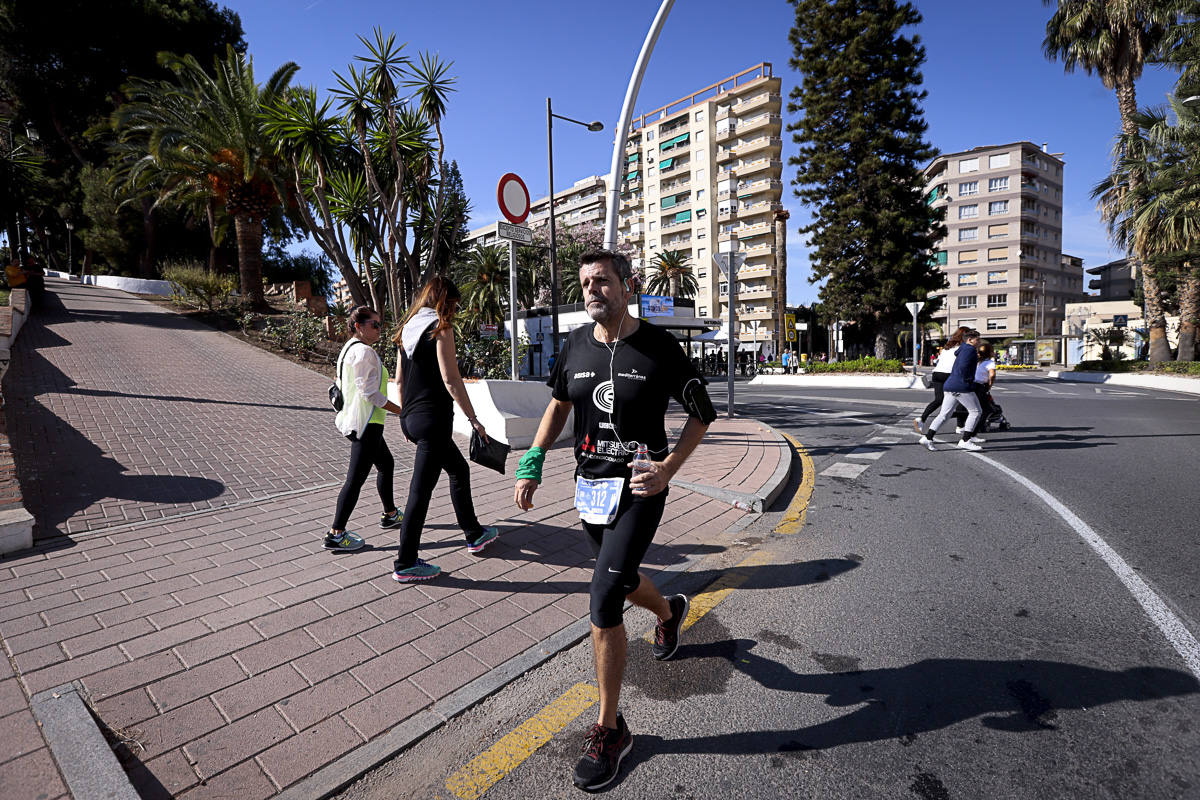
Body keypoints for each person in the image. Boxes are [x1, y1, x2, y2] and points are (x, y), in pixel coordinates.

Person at [512, 250, 716, 791]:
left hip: (640, 489)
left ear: (627, 286)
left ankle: (611, 727)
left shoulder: (659, 347)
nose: (591, 289)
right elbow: (559, 405)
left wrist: (669, 469)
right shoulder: (575, 345)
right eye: (584, 282)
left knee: (602, 599)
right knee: (622, 579)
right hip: (590, 491)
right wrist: (533, 460)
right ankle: (670, 611)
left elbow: (703, 412)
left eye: (601, 281)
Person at [390, 276, 499, 582]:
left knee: (458, 470)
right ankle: (406, 562)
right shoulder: (440, 328)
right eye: (453, 304)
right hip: (433, 420)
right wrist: (474, 419)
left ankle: (474, 533)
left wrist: (404, 418)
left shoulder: (406, 330)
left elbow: (399, 381)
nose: (454, 311)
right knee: (419, 492)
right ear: (444, 301)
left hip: (412, 417)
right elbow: (451, 380)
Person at [327, 306, 405, 552]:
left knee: (386, 464)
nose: (379, 328)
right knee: (355, 480)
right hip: (366, 424)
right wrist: (401, 411)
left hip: (363, 422)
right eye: (375, 324)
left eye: (380, 323)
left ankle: (390, 513)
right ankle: (336, 533)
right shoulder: (363, 352)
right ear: (359, 326)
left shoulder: (348, 349)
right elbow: (370, 393)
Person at [919, 329, 984, 452]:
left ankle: (928, 438)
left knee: (944, 415)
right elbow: (964, 367)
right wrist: (969, 381)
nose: (979, 342)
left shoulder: (962, 349)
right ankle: (965, 440)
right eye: (977, 340)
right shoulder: (970, 350)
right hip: (961, 386)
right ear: (969, 340)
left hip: (949, 385)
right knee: (976, 412)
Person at [914, 327, 967, 433]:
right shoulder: (963, 348)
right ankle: (960, 427)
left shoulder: (947, 346)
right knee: (962, 399)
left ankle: (921, 419)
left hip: (937, 374)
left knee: (939, 400)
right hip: (949, 374)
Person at [955, 341, 997, 441]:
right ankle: (972, 434)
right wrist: (989, 386)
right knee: (985, 410)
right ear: (989, 352)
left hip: (972, 385)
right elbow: (992, 375)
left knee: (967, 408)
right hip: (981, 387)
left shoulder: (976, 361)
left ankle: (962, 427)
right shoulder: (990, 363)